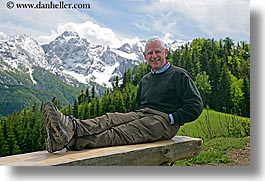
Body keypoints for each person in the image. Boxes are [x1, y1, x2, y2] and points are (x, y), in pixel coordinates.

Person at [42, 37, 203, 153]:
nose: (154, 56)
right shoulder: (146, 79)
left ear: (166, 52)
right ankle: (72, 126)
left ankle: (71, 140)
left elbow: (195, 106)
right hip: (142, 114)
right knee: (110, 119)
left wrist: (172, 118)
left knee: (119, 133)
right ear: (145, 56)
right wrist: (135, 116)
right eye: (150, 53)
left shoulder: (179, 75)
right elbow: (139, 105)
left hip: (163, 121)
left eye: (158, 52)